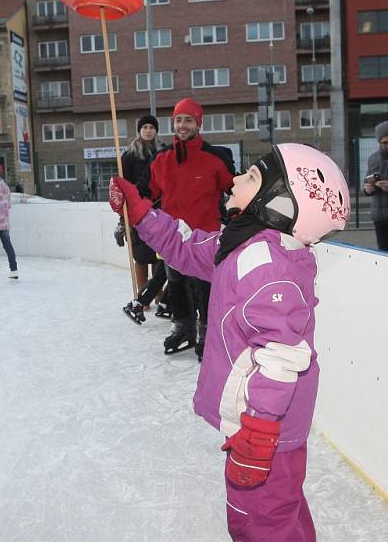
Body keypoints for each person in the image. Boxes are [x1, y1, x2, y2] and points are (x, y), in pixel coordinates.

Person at [109, 142, 350, 541]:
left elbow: (281, 356)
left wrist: (258, 433)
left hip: (265, 430)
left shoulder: (270, 266)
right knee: (279, 514)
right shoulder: (246, 245)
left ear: (281, 203)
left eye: (252, 177)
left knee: (259, 523)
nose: (235, 178)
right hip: (263, 424)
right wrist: (141, 212)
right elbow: (186, 249)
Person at [147, 98, 234, 360]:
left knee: (204, 287)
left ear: (198, 123)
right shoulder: (161, 159)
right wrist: (124, 201)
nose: (182, 125)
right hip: (173, 237)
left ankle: (208, 331)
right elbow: (146, 194)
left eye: (188, 120)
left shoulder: (215, 158)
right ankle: (183, 326)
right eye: (178, 120)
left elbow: (236, 189)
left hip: (204, 239)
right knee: (176, 284)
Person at [121, 114, 160, 302]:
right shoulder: (129, 156)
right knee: (142, 255)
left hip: (159, 209)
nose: (148, 130)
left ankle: (160, 296)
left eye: (151, 127)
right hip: (138, 211)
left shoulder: (162, 153)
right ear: (139, 131)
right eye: (144, 127)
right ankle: (143, 296)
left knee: (160, 254)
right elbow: (123, 187)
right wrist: (123, 219)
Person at [363, 119, 388, 250]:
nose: (387, 145)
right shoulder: (373, 158)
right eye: (385, 142)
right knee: (383, 253)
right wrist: (368, 188)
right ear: (379, 142)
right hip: (379, 216)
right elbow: (366, 182)